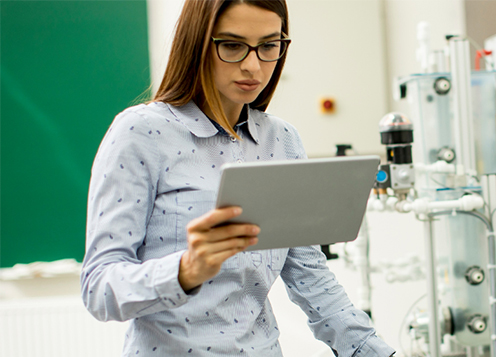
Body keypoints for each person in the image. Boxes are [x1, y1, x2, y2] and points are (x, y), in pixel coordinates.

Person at [80, 1, 395, 356]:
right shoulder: (141, 133)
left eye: (268, 46)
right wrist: (185, 270)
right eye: (231, 45)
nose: (252, 65)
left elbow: (312, 279)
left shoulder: (283, 140)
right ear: (197, 43)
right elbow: (99, 288)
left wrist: (378, 352)